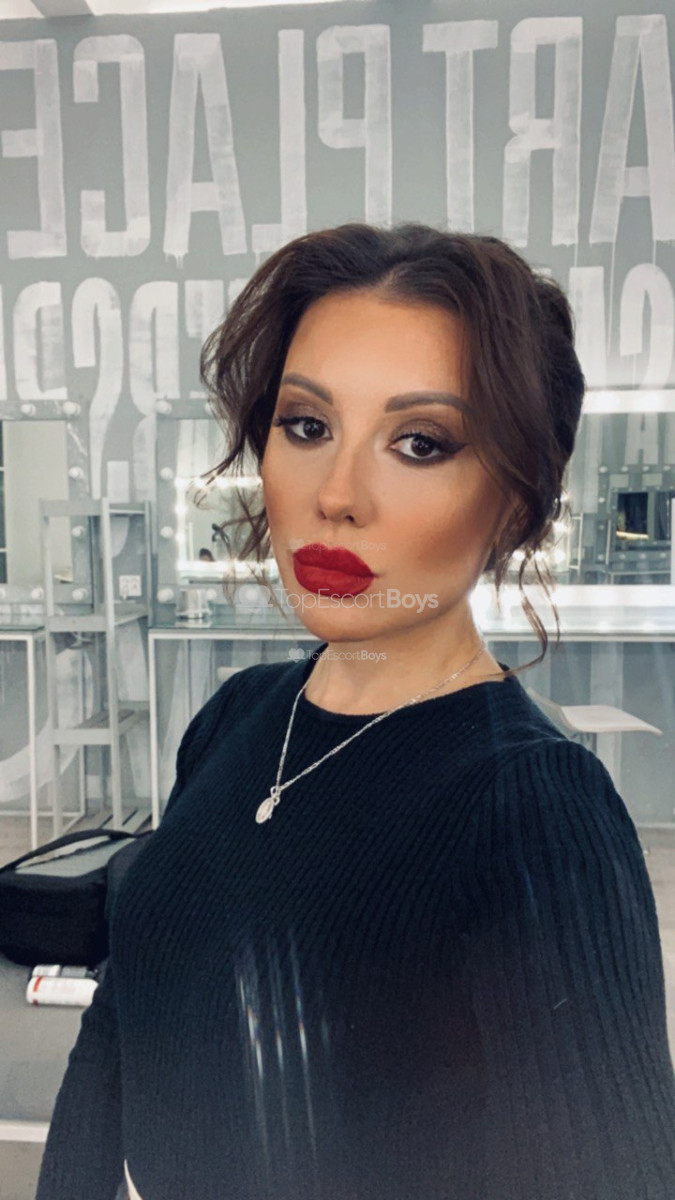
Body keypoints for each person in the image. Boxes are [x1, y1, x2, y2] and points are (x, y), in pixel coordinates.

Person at [36, 223, 675, 1200]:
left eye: (419, 443)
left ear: (515, 504)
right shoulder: (236, 717)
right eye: (306, 426)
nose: (336, 495)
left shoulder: (533, 808)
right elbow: (124, 1016)